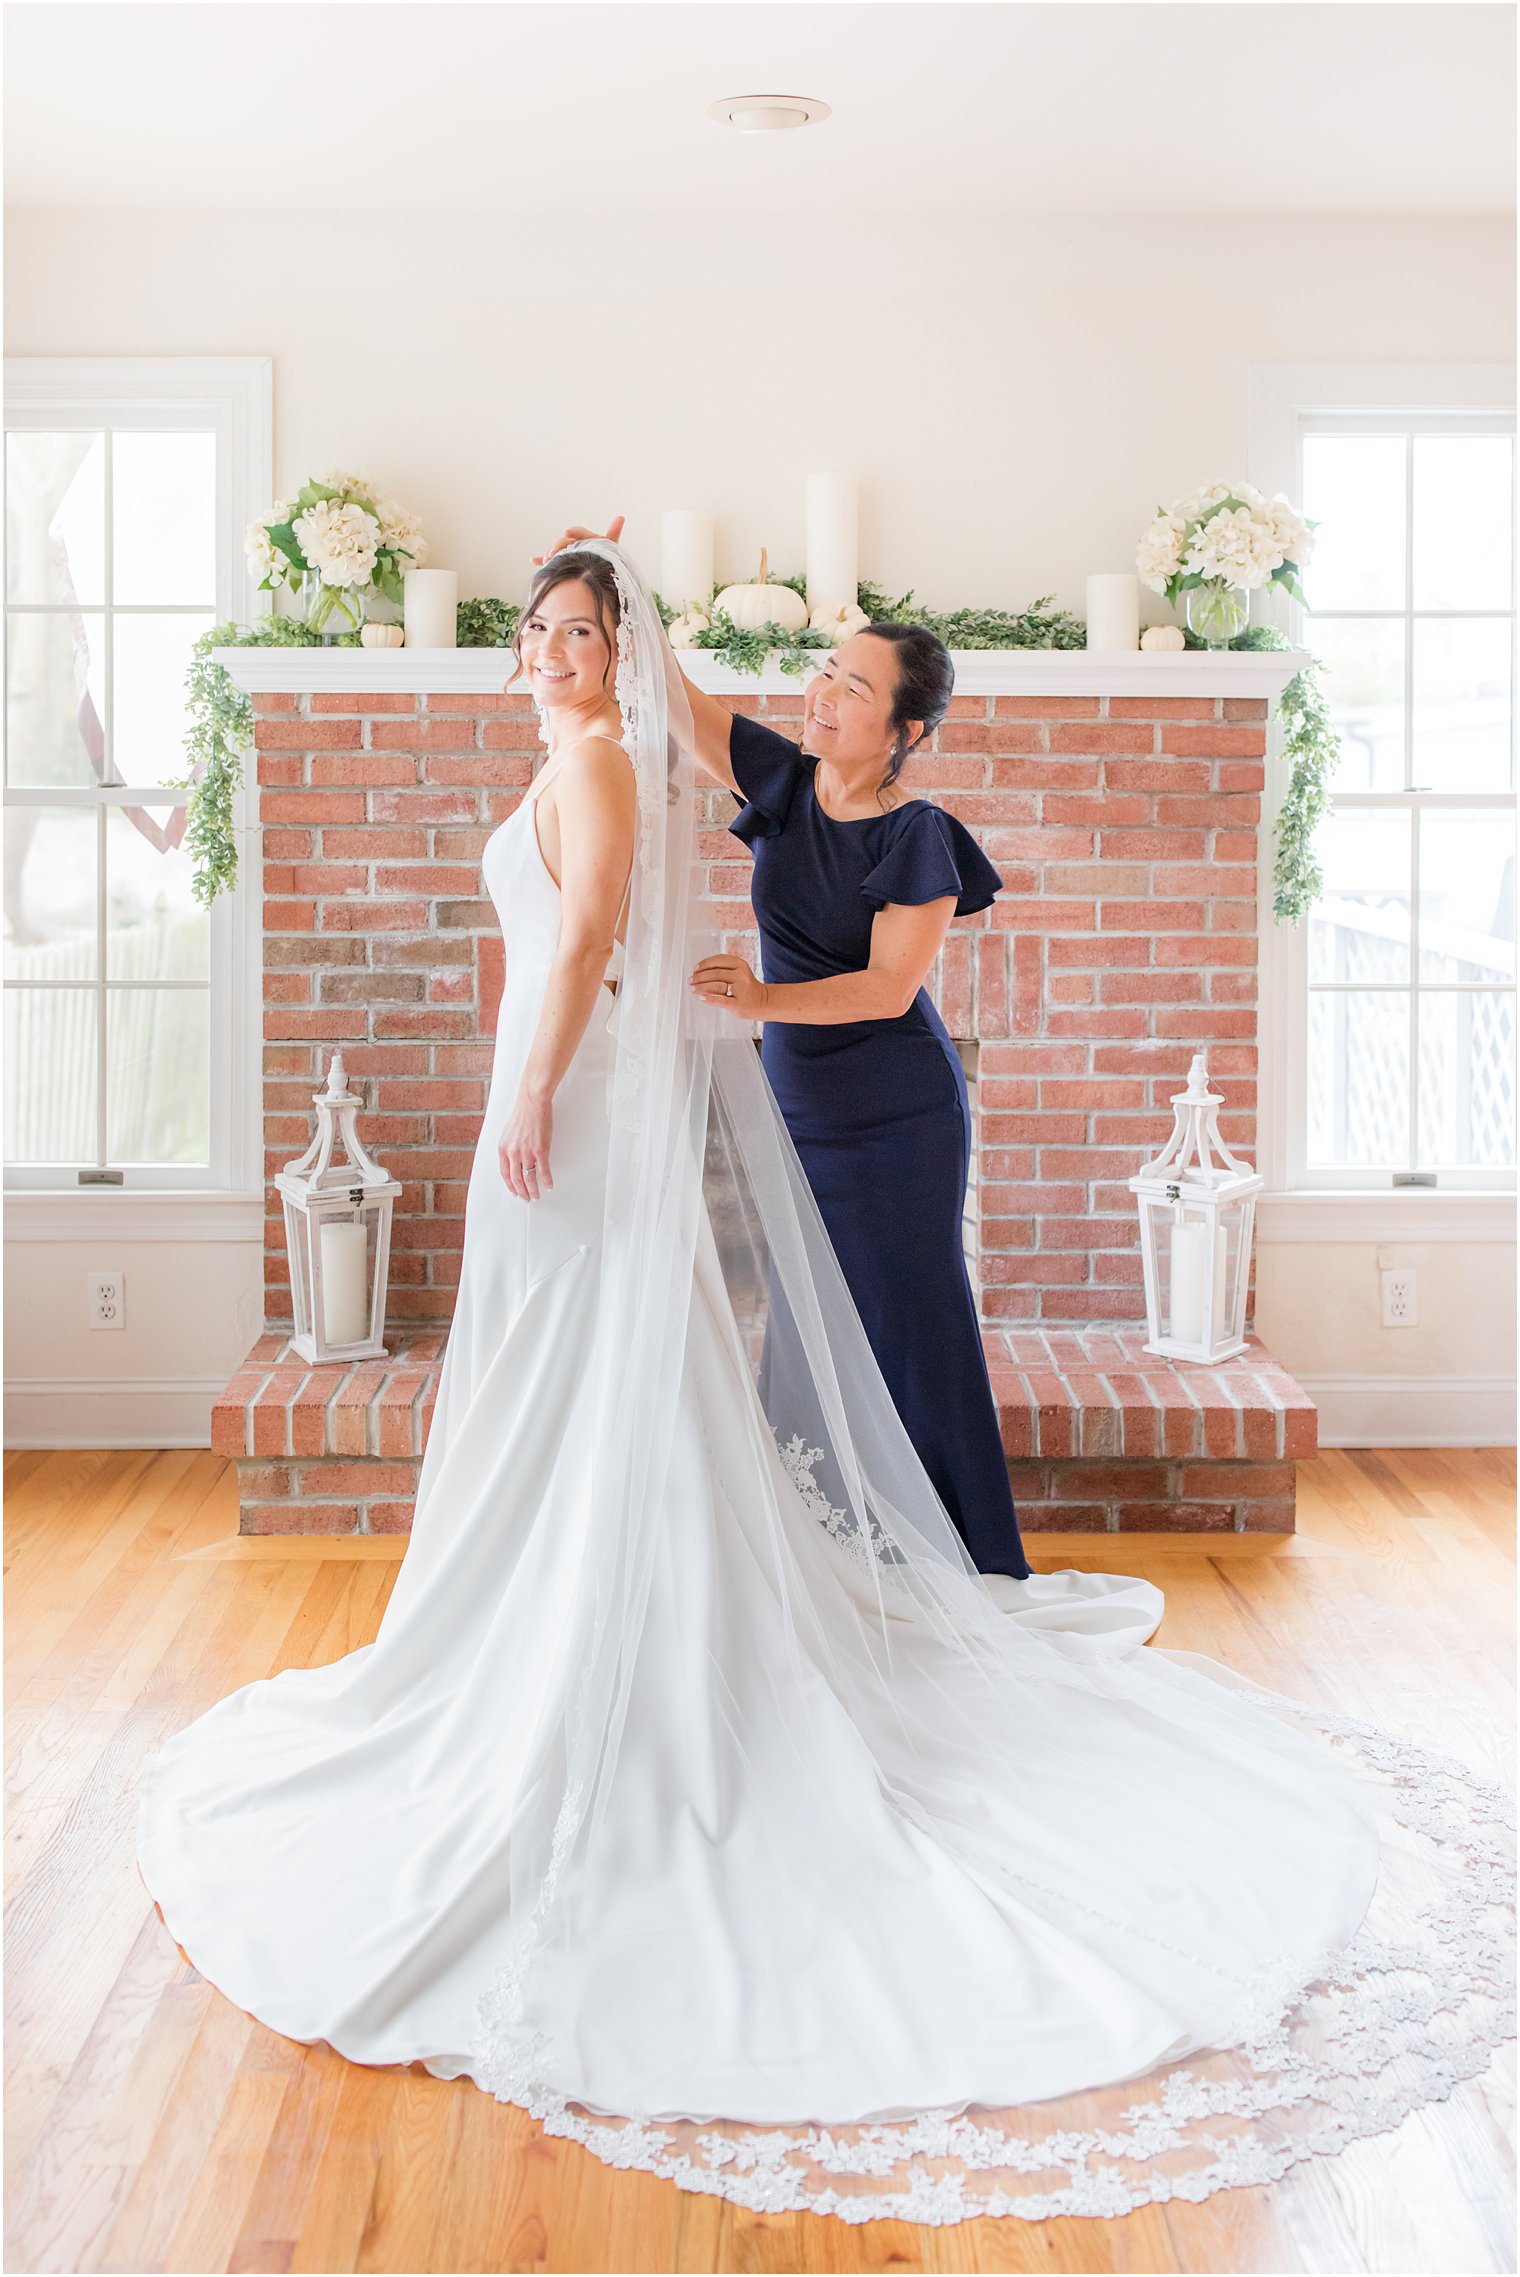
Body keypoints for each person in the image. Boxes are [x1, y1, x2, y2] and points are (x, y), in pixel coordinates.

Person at [136, 540, 1495, 2227]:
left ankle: (967, 1569)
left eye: (854, 682)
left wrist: (687, 1016)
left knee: (911, 1336)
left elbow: (882, 986)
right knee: (789, 1358)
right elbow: (686, 708)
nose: (825, 694)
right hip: (783, 1101)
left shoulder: (912, 833)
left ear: (905, 728)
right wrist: (621, 594)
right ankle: (816, 1557)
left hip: (889, 1105)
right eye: (827, 672)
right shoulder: (751, 773)